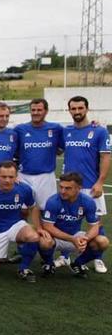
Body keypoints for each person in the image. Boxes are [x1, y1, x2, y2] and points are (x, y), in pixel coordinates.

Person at [62, 95, 110, 273]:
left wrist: (100, 182)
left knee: (97, 223)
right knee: (66, 221)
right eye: (73, 109)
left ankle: (97, 258)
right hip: (68, 186)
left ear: (87, 109)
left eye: (80, 108)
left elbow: (106, 157)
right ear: (69, 111)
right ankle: (64, 256)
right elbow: (57, 148)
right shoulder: (66, 131)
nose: (77, 112)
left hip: (91, 185)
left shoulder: (99, 131)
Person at [39, 172, 110, 277]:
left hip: (76, 236)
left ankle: (78, 263)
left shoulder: (88, 202)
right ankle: (49, 264)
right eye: (61, 187)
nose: (62, 191)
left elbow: (94, 226)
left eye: (68, 188)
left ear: (78, 188)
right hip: (56, 238)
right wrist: (72, 239)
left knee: (103, 242)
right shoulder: (53, 201)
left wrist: (85, 238)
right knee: (43, 241)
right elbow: (48, 227)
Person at [14, 98, 63, 211]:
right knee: (22, 210)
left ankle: (43, 229)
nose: (36, 113)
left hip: (46, 176)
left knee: (46, 210)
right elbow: (13, 149)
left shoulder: (56, 129)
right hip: (23, 175)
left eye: (39, 110)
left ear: (46, 111)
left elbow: (62, 147)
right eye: (33, 110)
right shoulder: (20, 129)